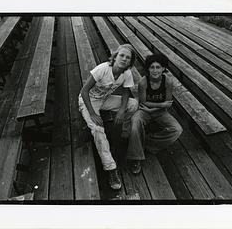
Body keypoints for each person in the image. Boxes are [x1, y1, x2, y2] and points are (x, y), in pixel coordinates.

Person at [78, 44, 138, 190]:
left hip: (105, 99)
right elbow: (84, 91)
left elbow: (125, 92)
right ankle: (111, 168)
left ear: (130, 62)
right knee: (98, 130)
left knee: (133, 104)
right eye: (121, 55)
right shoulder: (103, 69)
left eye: (128, 57)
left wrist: (122, 110)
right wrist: (92, 113)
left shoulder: (126, 73)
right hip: (88, 101)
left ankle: (124, 131)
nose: (124, 59)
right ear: (115, 56)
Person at [126, 54, 183, 174]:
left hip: (159, 112)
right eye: (152, 67)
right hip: (144, 111)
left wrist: (153, 109)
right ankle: (136, 158)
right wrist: (160, 105)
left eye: (158, 67)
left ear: (163, 68)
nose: (155, 70)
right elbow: (143, 102)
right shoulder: (143, 82)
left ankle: (147, 143)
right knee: (135, 123)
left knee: (176, 130)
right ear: (148, 68)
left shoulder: (168, 81)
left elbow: (167, 104)